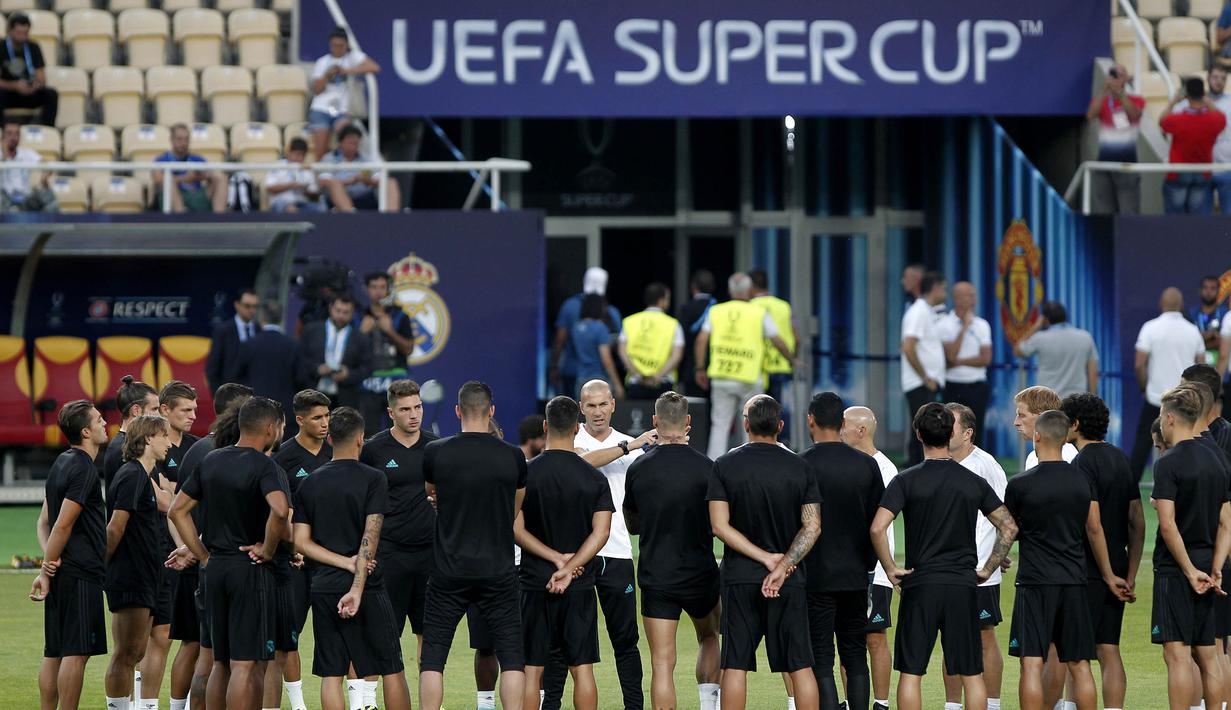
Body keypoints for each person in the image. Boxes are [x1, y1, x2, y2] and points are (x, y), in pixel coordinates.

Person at [870, 402, 1018, 710]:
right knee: (971, 674)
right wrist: (987, 568)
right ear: (951, 433)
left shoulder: (906, 480)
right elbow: (1009, 526)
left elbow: (877, 529)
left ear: (918, 434)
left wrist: (891, 568)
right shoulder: (972, 481)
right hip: (962, 586)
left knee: (911, 673)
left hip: (920, 585)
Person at [167, 397, 290, 709]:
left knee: (219, 662)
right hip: (249, 569)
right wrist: (268, 548)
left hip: (215, 569)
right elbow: (279, 511)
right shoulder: (265, 465)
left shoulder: (211, 460)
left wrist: (203, 556)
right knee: (245, 664)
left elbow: (176, 511)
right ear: (271, 428)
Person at [1005, 410, 1129, 710]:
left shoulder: (1020, 483)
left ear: (1037, 436)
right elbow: (1095, 529)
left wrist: (992, 563)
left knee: (1031, 663)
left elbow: (1009, 530)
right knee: (1080, 664)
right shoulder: (1082, 479)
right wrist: (1109, 575)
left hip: (1034, 583)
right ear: (1064, 439)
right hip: (1074, 582)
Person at [707, 394, 822, 710]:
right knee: (800, 664)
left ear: (746, 424)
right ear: (780, 426)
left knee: (735, 664)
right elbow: (812, 527)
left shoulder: (724, 465)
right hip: (789, 580)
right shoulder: (800, 466)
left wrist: (763, 558)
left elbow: (719, 526)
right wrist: (782, 565)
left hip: (739, 578)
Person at [293, 406, 411, 710]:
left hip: (324, 586)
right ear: (361, 438)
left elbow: (301, 542)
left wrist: (341, 562)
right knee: (391, 667)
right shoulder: (374, 479)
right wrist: (356, 580)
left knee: (331, 673)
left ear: (330, 438)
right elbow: (370, 536)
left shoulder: (310, 482)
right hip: (367, 586)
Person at [419, 381, 527, 710]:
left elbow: (432, 493)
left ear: (457, 411)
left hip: (448, 570)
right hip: (498, 570)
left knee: (433, 659)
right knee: (512, 658)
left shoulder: (435, 451)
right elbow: (516, 507)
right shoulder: (513, 455)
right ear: (491, 411)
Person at [548, 380, 655, 710]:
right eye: (591, 406)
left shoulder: (632, 449)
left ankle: (634, 706)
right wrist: (630, 445)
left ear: (613, 405)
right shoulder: (572, 442)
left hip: (617, 552)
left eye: (603, 404)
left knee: (626, 641)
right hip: (576, 556)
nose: (597, 412)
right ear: (581, 408)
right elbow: (584, 462)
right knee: (563, 643)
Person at [514, 395, 615, 710]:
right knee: (582, 668)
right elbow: (602, 532)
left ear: (545, 426)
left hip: (534, 581)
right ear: (577, 428)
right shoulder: (594, 477)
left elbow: (515, 529)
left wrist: (555, 559)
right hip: (579, 582)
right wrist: (570, 566)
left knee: (532, 669)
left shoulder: (525, 474)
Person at [624, 392, 721, 710]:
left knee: (662, 663)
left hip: (657, 575)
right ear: (688, 422)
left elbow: (633, 524)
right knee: (709, 637)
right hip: (700, 573)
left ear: (655, 421)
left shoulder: (639, 468)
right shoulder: (708, 468)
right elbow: (718, 522)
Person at [167, 382, 253, 710]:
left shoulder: (195, 450)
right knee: (226, 656)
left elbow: (176, 508)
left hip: (200, 561)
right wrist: (201, 552)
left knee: (196, 647)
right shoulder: (233, 455)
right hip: (224, 559)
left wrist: (190, 549)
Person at [1060, 392, 1145, 710]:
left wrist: (1107, 575)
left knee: (1077, 653)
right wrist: (1129, 574)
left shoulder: (1081, 463)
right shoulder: (1121, 459)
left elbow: (1092, 525)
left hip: (1089, 569)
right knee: (1109, 648)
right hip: (1119, 565)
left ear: (1075, 424)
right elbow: (1137, 520)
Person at [800, 392, 884, 710]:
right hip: (855, 575)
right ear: (841, 422)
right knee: (855, 654)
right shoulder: (867, 465)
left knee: (821, 657)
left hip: (815, 577)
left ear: (811, 420)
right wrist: (869, 563)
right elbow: (878, 522)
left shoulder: (802, 464)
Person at [1149, 385, 1231, 710]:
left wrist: (1189, 570)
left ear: (1170, 418)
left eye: (1161, 415)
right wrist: (1216, 567)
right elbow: (1226, 523)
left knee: (1178, 653)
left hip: (1176, 568)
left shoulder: (1167, 463)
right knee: (1208, 653)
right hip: (1208, 564)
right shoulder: (1217, 459)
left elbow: (1168, 524)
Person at [30, 401, 109, 710]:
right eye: (99, 420)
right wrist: (46, 570)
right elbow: (62, 525)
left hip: (65, 571)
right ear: (86, 431)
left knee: (54, 651)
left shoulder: (61, 462)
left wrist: (49, 563)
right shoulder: (84, 468)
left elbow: (43, 523)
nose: (105, 423)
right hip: (81, 573)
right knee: (76, 653)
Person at [358, 380, 438, 660]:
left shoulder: (436, 447)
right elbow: (362, 502)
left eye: (418, 407)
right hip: (389, 554)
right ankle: (378, 690)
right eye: (405, 409)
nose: (414, 415)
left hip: (430, 553)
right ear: (391, 413)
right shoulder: (373, 450)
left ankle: (429, 691)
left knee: (430, 634)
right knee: (385, 634)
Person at [943, 402, 1010, 710]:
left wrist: (996, 557)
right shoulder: (939, 462)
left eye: (951, 426)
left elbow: (1006, 519)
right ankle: (953, 705)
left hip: (981, 569)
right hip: (946, 569)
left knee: (984, 637)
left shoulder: (987, 466)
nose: (944, 430)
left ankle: (992, 705)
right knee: (951, 637)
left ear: (967, 433)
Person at [103, 415, 172, 710]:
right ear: (147, 439)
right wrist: (102, 569)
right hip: (130, 575)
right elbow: (115, 528)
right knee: (126, 653)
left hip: (144, 574)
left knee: (135, 652)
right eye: (164, 436)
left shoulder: (142, 476)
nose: (169, 443)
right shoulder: (131, 475)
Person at [269, 389, 331, 710]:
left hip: (330, 561)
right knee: (288, 637)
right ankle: (298, 704)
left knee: (337, 635)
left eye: (327, 416)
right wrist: (293, 546)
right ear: (300, 419)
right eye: (317, 417)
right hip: (294, 563)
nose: (324, 423)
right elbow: (277, 512)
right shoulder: (282, 458)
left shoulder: (335, 452)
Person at [139, 381, 199, 710]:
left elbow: (180, 498)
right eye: (185, 410)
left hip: (191, 549)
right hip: (163, 551)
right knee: (157, 635)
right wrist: (185, 545)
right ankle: (143, 703)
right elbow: (166, 502)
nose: (193, 416)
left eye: (194, 409)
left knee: (194, 636)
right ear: (165, 410)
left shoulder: (197, 447)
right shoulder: (154, 447)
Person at [695, 272, 793, 459]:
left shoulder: (716, 311)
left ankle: (713, 466)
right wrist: (791, 359)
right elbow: (777, 341)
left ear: (729, 290)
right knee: (752, 424)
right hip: (750, 378)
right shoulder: (759, 313)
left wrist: (700, 368)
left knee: (720, 425)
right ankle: (748, 462)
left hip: (722, 376)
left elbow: (701, 340)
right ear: (749, 290)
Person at [840, 405, 898, 710]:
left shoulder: (885, 469)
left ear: (860, 430)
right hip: (847, 567)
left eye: (844, 425)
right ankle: (851, 702)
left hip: (877, 567)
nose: (839, 430)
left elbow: (879, 523)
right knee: (847, 638)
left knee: (875, 636)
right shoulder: (845, 462)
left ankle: (881, 703)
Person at [1131, 287, 1206, 482]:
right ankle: (1191, 485)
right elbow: (1201, 367)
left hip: (1155, 399)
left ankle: (1129, 491)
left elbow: (1139, 365)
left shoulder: (1150, 328)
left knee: (1141, 447)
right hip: (1184, 401)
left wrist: (1144, 388)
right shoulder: (1193, 331)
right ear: (1181, 305)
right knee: (1188, 446)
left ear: (1161, 304)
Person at [308, 27, 380, 161]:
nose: (337, 49)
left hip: (341, 110)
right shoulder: (322, 62)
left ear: (346, 45)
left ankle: (342, 168)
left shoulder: (352, 58)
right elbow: (317, 90)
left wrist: (347, 71)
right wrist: (327, 75)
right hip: (321, 108)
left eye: (340, 46)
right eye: (334, 46)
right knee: (320, 151)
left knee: (347, 142)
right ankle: (325, 171)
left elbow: (374, 67)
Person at [550, 266, 623, 398]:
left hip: (574, 372)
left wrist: (554, 366)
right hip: (598, 375)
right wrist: (618, 383)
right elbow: (612, 352)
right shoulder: (610, 314)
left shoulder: (572, 313)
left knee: (574, 408)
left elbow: (560, 340)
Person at [900, 270, 948, 467]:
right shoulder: (918, 312)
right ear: (935, 288)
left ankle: (921, 471)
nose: (945, 293)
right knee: (922, 431)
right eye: (943, 288)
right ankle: (916, 473)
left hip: (925, 384)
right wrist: (925, 377)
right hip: (920, 384)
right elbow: (908, 347)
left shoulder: (926, 311)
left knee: (924, 430)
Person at [358, 271, 415, 434]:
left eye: (382, 287)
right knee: (368, 434)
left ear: (388, 289)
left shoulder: (400, 316)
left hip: (397, 383)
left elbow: (408, 349)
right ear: (366, 289)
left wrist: (390, 331)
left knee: (402, 430)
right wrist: (361, 333)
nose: (378, 291)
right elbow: (349, 353)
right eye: (374, 287)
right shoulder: (358, 316)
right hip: (368, 383)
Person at [1160, 78, 1227, 215]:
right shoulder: (1213, 120)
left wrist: (1173, 101)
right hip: (1202, 172)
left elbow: (1162, 121)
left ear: (1187, 95)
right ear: (1203, 93)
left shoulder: (1177, 119)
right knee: (1196, 218)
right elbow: (1222, 118)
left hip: (1178, 172)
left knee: (1174, 219)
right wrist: (1207, 101)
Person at [1085, 63, 1145, 214]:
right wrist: (1103, 90)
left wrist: (1120, 94)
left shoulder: (1136, 99)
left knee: (1128, 211)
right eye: (1113, 74)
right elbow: (1090, 115)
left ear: (1126, 79)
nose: (1115, 78)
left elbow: (1134, 114)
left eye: (1119, 75)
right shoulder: (1102, 100)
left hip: (1127, 165)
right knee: (1104, 212)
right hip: (1104, 165)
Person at [940, 282, 992, 449]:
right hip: (952, 385)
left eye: (974, 295)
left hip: (976, 386)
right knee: (950, 429)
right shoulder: (944, 324)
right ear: (957, 298)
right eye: (969, 296)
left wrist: (959, 361)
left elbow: (985, 358)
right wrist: (964, 327)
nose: (974, 299)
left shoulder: (982, 325)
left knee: (976, 431)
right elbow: (950, 356)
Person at [300, 295, 373, 410]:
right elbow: (300, 359)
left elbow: (367, 368)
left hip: (345, 398)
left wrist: (348, 374)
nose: (341, 316)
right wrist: (317, 368)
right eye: (338, 310)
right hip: (312, 393)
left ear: (353, 313)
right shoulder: (311, 330)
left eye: (346, 312)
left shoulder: (360, 338)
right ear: (330, 308)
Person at [1013, 301, 1099, 399]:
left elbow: (1017, 350)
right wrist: (1092, 399)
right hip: (1076, 400)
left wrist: (1036, 327)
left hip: (1048, 400)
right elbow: (1092, 372)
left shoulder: (1040, 339)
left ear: (1045, 319)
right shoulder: (1085, 337)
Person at [617, 282, 685, 400]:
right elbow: (677, 356)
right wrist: (658, 376)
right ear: (661, 300)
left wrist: (638, 374)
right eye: (667, 299)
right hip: (663, 383)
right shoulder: (673, 324)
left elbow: (622, 352)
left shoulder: (629, 321)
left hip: (636, 382)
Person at [236, 300, 303, 419]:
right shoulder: (293, 346)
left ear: (262, 317)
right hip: (283, 412)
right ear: (281, 318)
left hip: (254, 410)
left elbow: (238, 377)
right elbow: (301, 379)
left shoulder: (249, 345)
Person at [319, 125, 400, 212]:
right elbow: (324, 181)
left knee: (390, 182)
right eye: (350, 140)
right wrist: (347, 182)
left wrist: (364, 180)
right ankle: (349, 216)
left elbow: (378, 179)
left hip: (365, 197)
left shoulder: (367, 159)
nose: (354, 142)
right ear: (340, 142)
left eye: (356, 140)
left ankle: (392, 216)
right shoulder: (329, 158)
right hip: (339, 197)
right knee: (334, 184)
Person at [749, 269, 799, 406]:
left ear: (751, 286)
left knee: (757, 411)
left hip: (758, 368)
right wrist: (792, 358)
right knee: (777, 409)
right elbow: (797, 337)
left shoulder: (750, 307)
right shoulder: (784, 306)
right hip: (781, 365)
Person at [153, 123, 228, 213]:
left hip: (197, 195)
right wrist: (185, 178)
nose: (183, 143)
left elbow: (209, 174)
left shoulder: (197, 159)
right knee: (168, 181)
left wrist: (200, 176)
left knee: (221, 178)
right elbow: (158, 179)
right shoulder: (162, 159)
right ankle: (181, 216)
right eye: (179, 139)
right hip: (176, 196)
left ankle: (219, 217)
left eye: (186, 139)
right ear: (171, 140)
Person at [102, 375, 160, 492]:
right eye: (154, 409)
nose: (159, 415)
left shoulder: (132, 444)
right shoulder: (125, 449)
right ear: (136, 410)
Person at [0, 14, 57, 125]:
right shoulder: (1, 47)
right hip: (10, 92)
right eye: (19, 33)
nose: (22, 37)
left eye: (25, 33)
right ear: (10, 31)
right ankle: (2, 129)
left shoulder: (33, 47)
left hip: (30, 91)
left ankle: (47, 129)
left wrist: (35, 85)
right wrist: (14, 85)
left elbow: (41, 77)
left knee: (51, 94)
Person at [205, 288, 261, 393]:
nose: (252, 310)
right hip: (230, 395)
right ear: (237, 305)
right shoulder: (223, 331)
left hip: (256, 396)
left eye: (255, 306)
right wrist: (219, 397)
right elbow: (212, 368)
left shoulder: (260, 330)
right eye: (247, 306)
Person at [571, 294, 623, 399]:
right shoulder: (600, 328)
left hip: (580, 378)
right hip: (599, 378)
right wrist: (617, 384)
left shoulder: (576, 327)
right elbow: (606, 360)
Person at [1015, 386, 1079, 469]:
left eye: (1022, 415)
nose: (1016, 423)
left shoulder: (1066, 455)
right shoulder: (1032, 457)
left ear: (1041, 417)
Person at [678, 269, 718, 398]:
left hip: (691, 366)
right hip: (716, 366)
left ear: (693, 287)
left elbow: (681, 338)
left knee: (694, 405)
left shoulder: (686, 308)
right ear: (712, 287)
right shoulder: (718, 308)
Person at [1, 121, 56, 212]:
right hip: (4, 199)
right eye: (9, 134)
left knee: (47, 195)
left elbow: (47, 165)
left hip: (25, 199)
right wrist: (4, 155)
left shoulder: (27, 153)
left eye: (16, 134)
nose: (13, 137)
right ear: (3, 136)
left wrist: (44, 177)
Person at [264, 137, 324, 213]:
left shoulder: (307, 169)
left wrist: (304, 189)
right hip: (281, 202)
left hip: (301, 202)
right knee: (291, 209)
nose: (300, 158)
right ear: (289, 152)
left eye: (303, 155)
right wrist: (290, 186)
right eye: (297, 154)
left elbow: (314, 192)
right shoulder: (278, 165)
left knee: (322, 209)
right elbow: (270, 187)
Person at [1191, 275, 1228, 368]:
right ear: (1200, 291)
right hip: (1197, 369)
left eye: (1212, 288)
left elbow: (1225, 343)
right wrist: (1211, 335)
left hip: (1222, 369)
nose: (1208, 292)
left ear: (1218, 291)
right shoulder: (1191, 314)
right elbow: (1190, 343)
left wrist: (1201, 340)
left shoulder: (1226, 314)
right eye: (1205, 288)